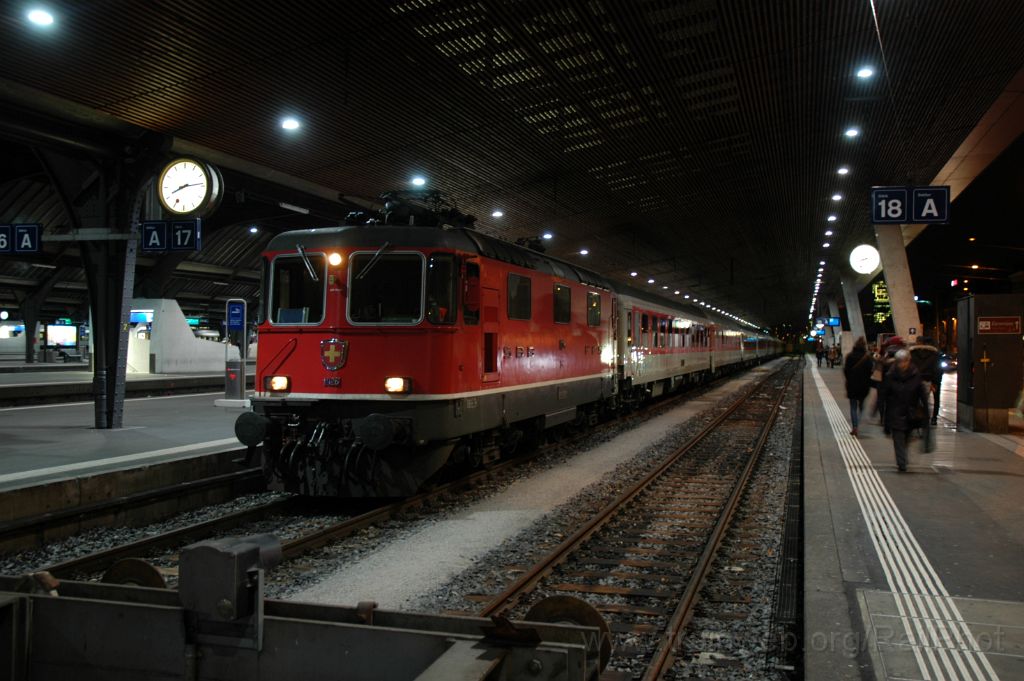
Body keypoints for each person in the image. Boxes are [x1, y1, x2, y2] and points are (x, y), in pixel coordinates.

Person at [879, 348, 930, 472]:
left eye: (904, 361)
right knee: (898, 438)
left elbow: (922, 395)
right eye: (900, 361)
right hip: (895, 412)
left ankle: (902, 458)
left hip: (910, 413)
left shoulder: (915, 375)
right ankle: (901, 462)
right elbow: (883, 395)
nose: (902, 364)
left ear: (909, 361)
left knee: (906, 437)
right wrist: (882, 413)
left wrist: (926, 413)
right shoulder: (890, 376)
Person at [843, 337, 874, 436]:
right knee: (861, 405)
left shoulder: (849, 356)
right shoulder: (867, 357)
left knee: (853, 406)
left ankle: (855, 426)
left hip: (852, 385)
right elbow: (870, 372)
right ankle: (858, 421)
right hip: (864, 385)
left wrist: (849, 379)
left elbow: (846, 371)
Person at [909, 336, 942, 425]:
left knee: (917, 399)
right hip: (929, 379)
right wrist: (935, 382)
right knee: (935, 399)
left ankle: (918, 417)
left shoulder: (912, 352)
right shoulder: (935, 354)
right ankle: (933, 418)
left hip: (916, 380)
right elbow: (937, 369)